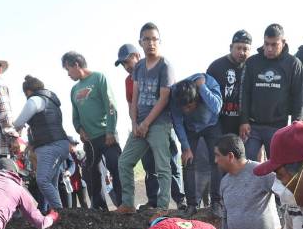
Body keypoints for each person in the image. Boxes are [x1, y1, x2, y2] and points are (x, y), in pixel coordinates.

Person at [118, 23, 179, 213]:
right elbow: (134, 96)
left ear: (159, 41)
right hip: (139, 125)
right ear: (140, 43)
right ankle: (128, 204)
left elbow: (164, 98)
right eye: (147, 39)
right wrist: (135, 123)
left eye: (154, 39)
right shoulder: (138, 68)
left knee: (163, 167)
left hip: (159, 123)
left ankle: (163, 207)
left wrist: (146, 123)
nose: (151, 43)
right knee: (124, 162)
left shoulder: (165, 66)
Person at [63, 51, 121, 210]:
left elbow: (111, 106)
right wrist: (80, 130)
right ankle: (99, 208)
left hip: (107, 135)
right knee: (93, 174)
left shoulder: (99, 78)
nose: (68, 74)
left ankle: (123, 204)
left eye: (68, 69)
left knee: (116, 167)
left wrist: (110, 131)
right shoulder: (74, 90)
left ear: (76, 64)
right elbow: (75, 116)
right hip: (89, 140)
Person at [239, 23, 303, 161]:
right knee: (247, 165)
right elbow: (244, 93)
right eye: (266, 44)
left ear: (283, 42)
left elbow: (298, 97)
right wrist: (243, 120)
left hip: (278, 127)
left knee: (278, 169)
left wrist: (296, 125)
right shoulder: (252, 62)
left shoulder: (293, 64)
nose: (269, 49)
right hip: (253, 126)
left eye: (274, 44)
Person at [13, 75, 72, 213]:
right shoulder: (51, 101)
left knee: (42, 180)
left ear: (27, 91)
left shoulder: (34, 100)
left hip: (49, 145)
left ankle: (59, 213)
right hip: (61, 143)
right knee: (51, 183)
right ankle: (57, 211)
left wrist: (12, 128)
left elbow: (19, 122)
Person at [172, 73, 223, 214]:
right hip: (190, 129)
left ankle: (216, 202)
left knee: (217, 161)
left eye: (190, 106)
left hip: (212, 125)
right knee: (188, 162)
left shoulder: (209, 84)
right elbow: (177, 122)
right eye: (184, 108)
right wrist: (186, 147)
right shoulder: (175, 94)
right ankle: (192, 205)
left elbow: (217, 107)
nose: (186, 110)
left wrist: (203, 88)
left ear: (197, 98)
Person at [207, 30, 252, 138]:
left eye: (245, 49)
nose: (241, 52)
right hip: (217, 124)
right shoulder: (216, 67)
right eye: (238, 48)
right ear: (231, 47)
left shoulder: (252, 68)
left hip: (244, 125)